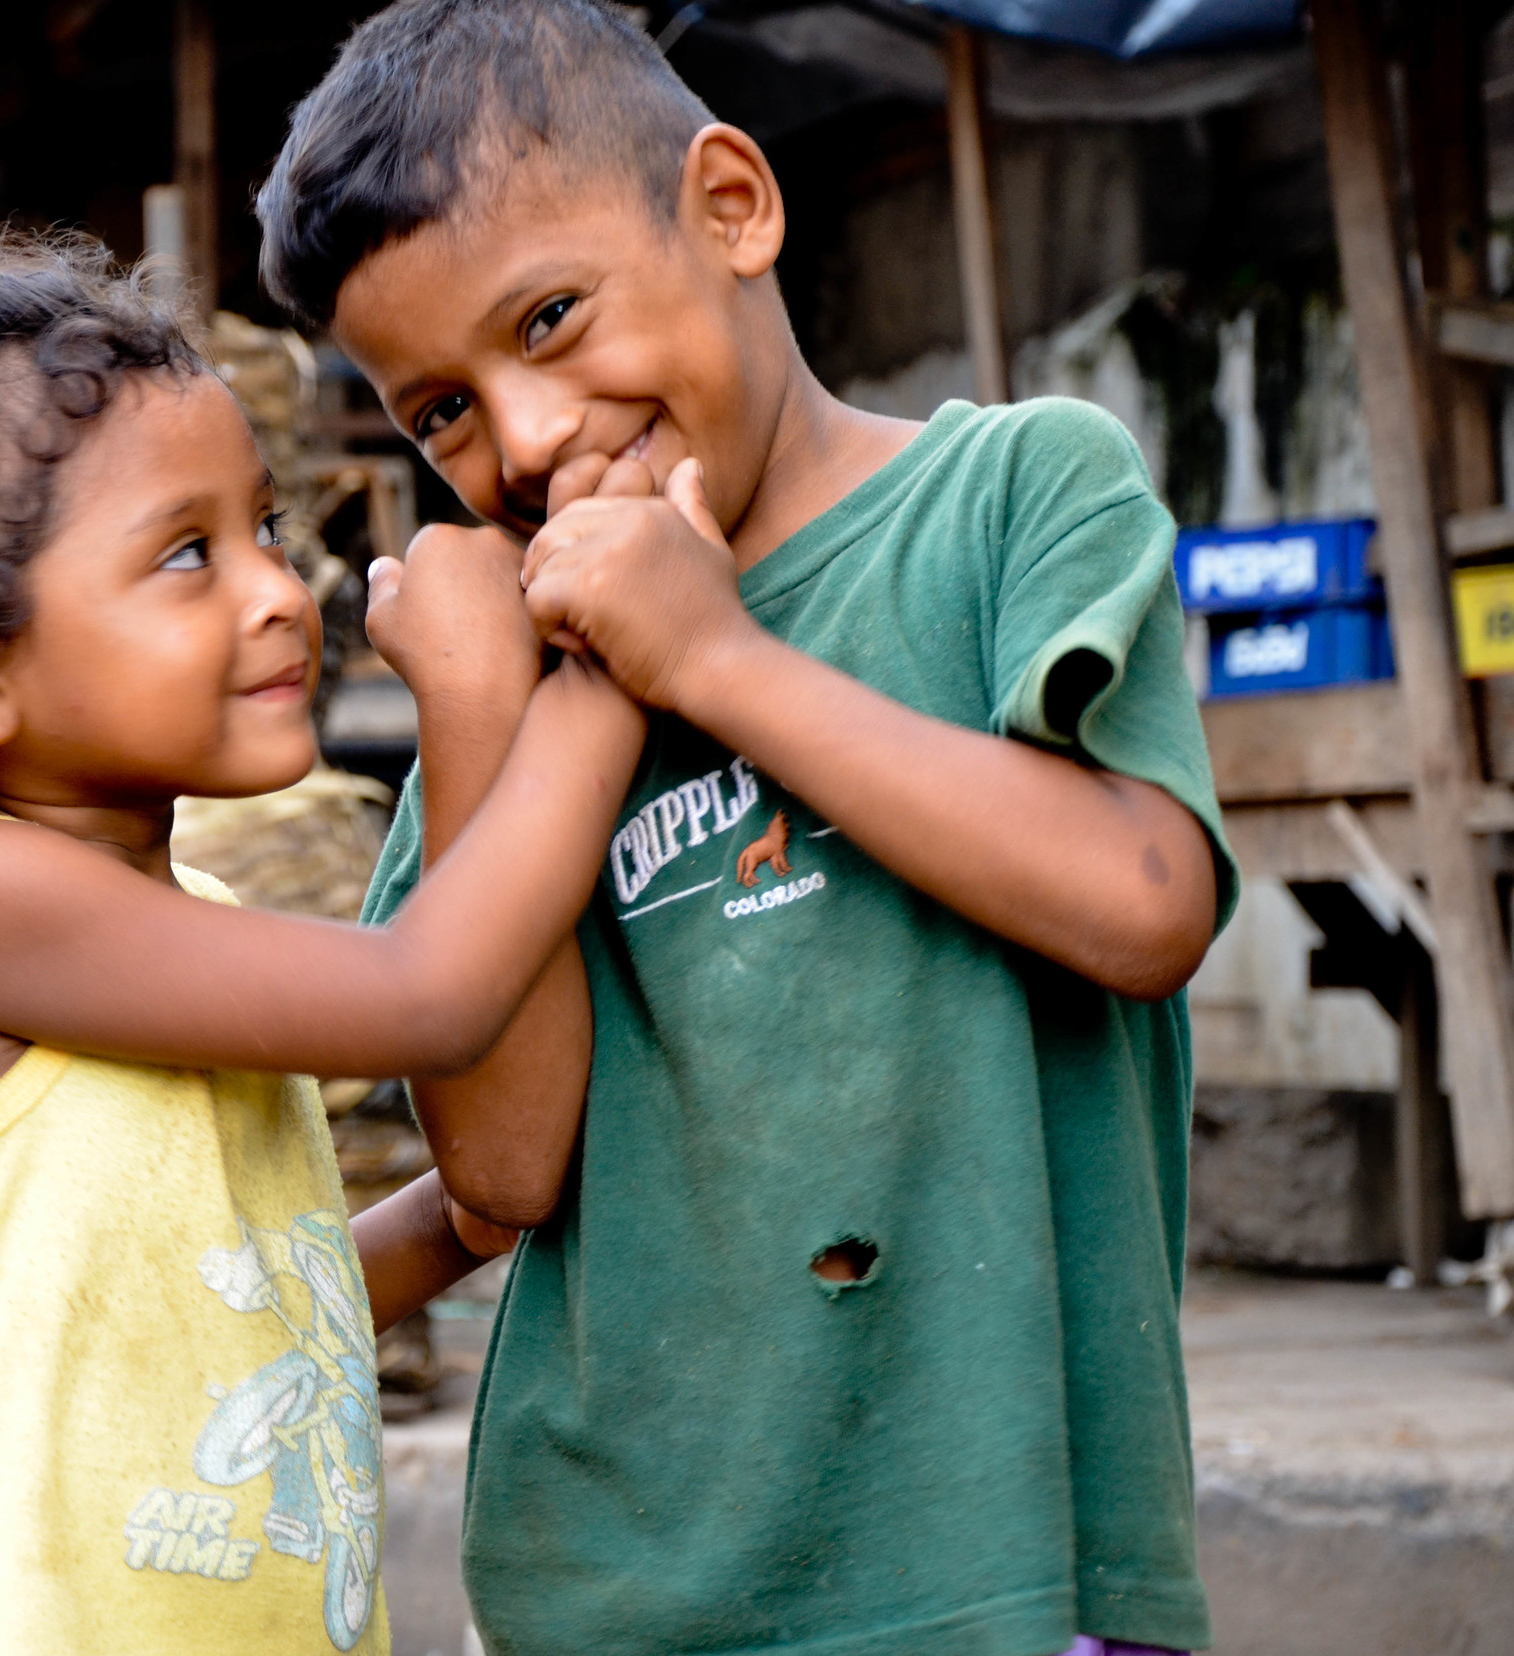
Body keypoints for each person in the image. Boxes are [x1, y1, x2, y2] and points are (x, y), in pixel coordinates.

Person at [255, 4, 1235, 1654]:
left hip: (1007, 1564)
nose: (529, 439)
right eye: (441, 415)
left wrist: (713, 657)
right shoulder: (508, 698)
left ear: (730, 208)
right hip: (610, 1592)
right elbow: (502, 1166)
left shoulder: (1014, 498)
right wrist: (489, 705)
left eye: (550, 319)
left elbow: (1142, 904)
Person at [0, 229, 643, 1656]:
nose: (282, 588)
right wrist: (595, 679)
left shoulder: (180, 935)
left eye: (264, 528)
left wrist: (458, 1223)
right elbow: (430, 994)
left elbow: (230, 1302)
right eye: (186, 555)